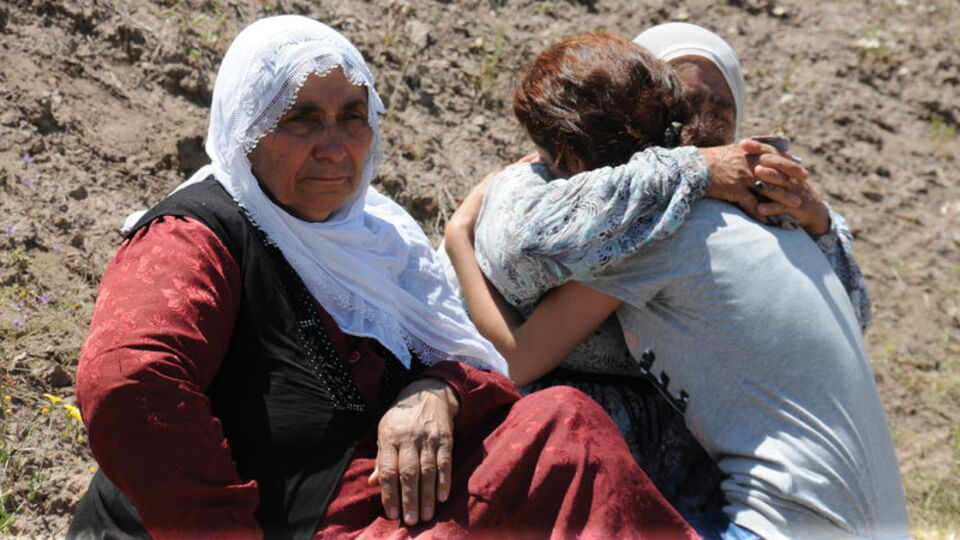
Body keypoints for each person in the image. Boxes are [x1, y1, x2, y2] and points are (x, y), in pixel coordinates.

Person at [67, 17, 700, 539]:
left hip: (384, 510)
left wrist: (434, 389)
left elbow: (475, 362)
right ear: (247, 128)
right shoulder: (199, 233)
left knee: (562, 424)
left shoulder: (377, 233)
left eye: (352, 116)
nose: (335, 146)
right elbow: (128, 379)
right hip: (290, 527)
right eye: (301, 118)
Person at [444, 32, 909, 539]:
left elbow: (517, 354)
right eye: (688, 104)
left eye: (721, 105)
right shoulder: (765, 213)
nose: (705, 122)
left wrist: (457, 239)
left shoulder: (652, 231)